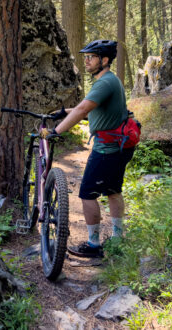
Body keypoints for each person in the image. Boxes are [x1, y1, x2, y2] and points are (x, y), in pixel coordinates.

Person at [41, 39, 134, 258]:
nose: (86, 61)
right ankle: (118, 239)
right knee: (112, 191)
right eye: (85, 57)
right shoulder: (110, 81)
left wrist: (57, 131)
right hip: (118, 146)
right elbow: (90, 106)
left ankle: (94, 245)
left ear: (105, 60)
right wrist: (65, 112)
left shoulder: (105, 82)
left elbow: (84, 109)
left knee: (87, 194)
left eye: (91, 57)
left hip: (106, 149)